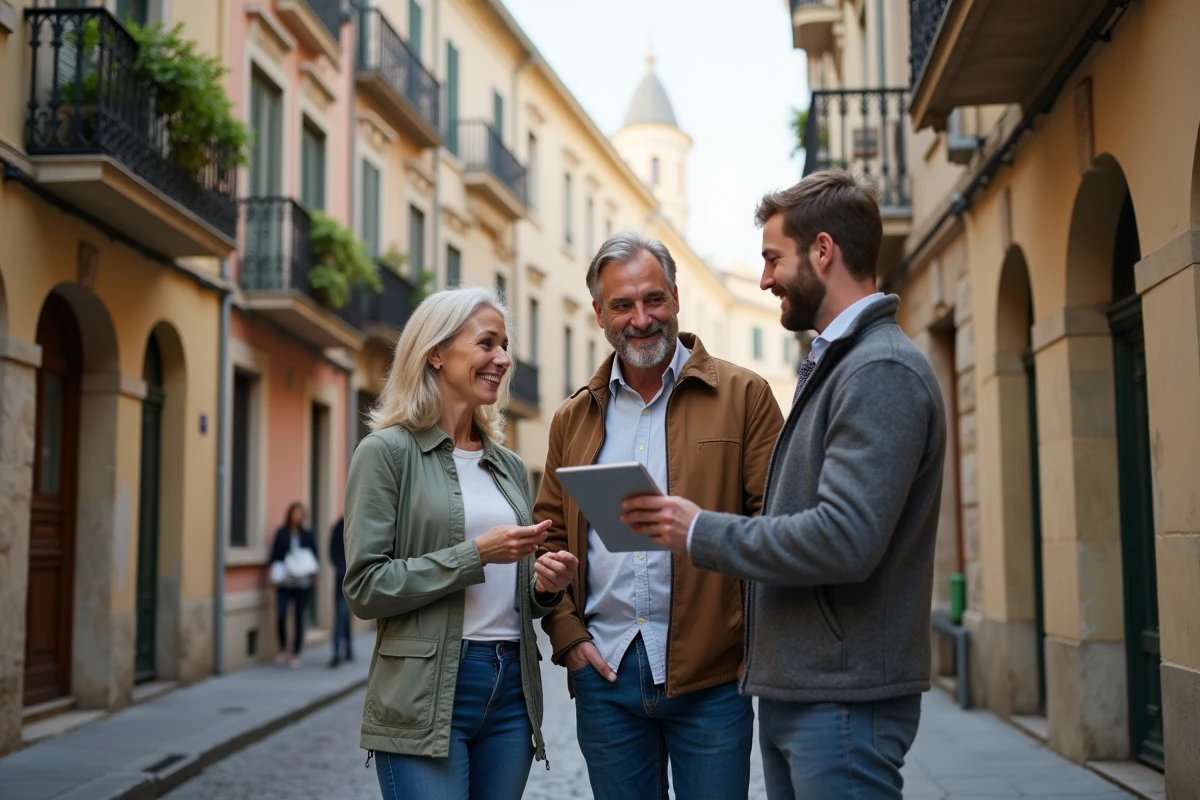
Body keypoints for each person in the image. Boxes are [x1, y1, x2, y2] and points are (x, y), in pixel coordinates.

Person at [622, 171, 948, 800]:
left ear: (822, 251)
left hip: (843, 699)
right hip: (809, 690)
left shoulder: (878, 369)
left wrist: (700, 530)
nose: (765, 278)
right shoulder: (841, 361)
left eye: (773, 258)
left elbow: (846, 538)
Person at [536, 232, 784, 799]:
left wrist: (752, 647)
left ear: (676, 297)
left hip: (715, 682)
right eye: (622, 305)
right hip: (607, 674)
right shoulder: (571, 419)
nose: (641, 319)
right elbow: (547, 541)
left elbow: (776, 529)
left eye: (654, 299)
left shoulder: (745, 396)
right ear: (599, 313)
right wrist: (569, 638)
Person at [342, 286, 578, 800]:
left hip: (512, 684)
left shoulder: (510, 465)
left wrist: (544, 585)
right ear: (435, 352)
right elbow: (364, 588)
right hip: (426, 691)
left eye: (505, 345)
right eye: (486, 344)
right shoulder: (386, 453)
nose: (503, 358)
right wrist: (476, 554)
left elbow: (516, 588)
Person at [269, 502, 318, 669]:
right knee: (282, 615)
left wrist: (313, 576)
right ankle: (283, 648)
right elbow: (274, 555)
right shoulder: (281, 533)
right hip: (285, 582)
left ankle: (295, 653)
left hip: (302, 583)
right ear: (289, 514)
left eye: (300, 513)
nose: (297, 516)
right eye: (294, 513)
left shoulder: (308, 534)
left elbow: (314, 555)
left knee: (299, 617)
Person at [328, 516, 353, 667]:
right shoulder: (339, 526)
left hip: (351, 577)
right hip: (342, 578)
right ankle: (338, 651)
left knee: (345, 613)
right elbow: (332, 552)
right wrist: (341, 567)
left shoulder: (356, 523)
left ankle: (347, 648)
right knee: (342, 613)